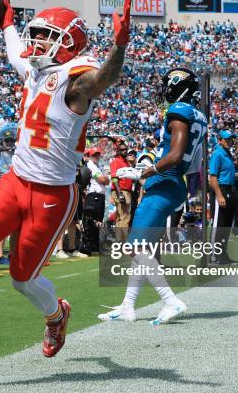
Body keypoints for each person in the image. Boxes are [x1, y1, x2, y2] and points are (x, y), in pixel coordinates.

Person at [0, 0, 132, 360]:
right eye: (35, 34)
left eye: (45, 36)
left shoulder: (75, 82)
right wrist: (5, 20)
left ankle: (56, 315)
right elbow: (14, 51)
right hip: (16, 180)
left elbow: (103, 79)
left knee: (23, 279)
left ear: (68, 44)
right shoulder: (37, 68)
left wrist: (119, 46)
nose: (36, 42)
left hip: (51, 195)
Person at [98, 67, 207, 325]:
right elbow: (194, 161)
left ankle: (171, 300)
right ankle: (128, 305)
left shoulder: (178, 111)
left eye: (168, 84)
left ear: (177, 86)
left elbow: (175, 154)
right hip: (174, 181)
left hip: (164, 182)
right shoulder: (199, 115)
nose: (164, 90)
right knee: (143, 249)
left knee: (135, 247)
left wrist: (144, 172)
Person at [209, 130, 237, 265]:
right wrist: (219, 195)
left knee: (226, 226)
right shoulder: (218, 154)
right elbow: (213, 177)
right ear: (220, 140)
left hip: (230, 190)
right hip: (221, 190)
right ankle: (214, 255)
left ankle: (223, 254)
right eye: (227, 139)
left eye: (231, 139)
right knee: (219, 225)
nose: (230, 141)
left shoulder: (228, 154)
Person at [82, 147, 108, 255]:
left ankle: (95, 247)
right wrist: (105, 179)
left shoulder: (98, 166)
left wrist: (105, 179)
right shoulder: (90, 165)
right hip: (93, 196)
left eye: (98, 154)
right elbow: (103, 180)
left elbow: (106, 180)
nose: (97, 156)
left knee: (97, 223)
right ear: (89, 155)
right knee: (90, 222)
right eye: (94, 154)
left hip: (99, 197)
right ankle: (86, 248)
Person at [110, 142, 132, 243]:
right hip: (121, 191)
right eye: (122, 150)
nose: (125, 151)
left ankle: (119, 243)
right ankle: (124, 242)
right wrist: (120, 193)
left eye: (126, 149)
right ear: (118, 151)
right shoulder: (116, 161)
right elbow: (114, 179)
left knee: (120, 218)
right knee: (125, 217)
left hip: (126, 191)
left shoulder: (126, 162)